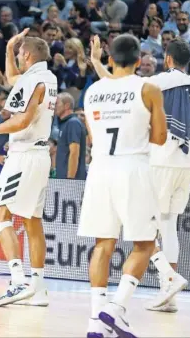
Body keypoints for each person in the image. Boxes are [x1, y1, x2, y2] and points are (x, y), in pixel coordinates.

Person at [91, 37, 190, 313]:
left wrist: (97, 64)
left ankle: (168, 281)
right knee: (168, 224)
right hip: (186, 163)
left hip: (158, 161)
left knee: (145, 227)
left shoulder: (157, 83)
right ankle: (169, 293)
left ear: (168, 59)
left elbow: (120, 88)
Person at [77, 34, 167, 337]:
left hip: (100, 169)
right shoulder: (149, 88)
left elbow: (93, 133)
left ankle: (94, 322)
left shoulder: (92, 92)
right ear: (140, 59)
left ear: (110, 58)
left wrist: (95, 62)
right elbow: (159, 138)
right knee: (145, 244)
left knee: (103, 244)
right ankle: (115, 309)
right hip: (133, 168)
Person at [0, 29, 57, 307]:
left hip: (24, 155)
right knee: (32, 221)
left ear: (29, 56)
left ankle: (18, 281)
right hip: (40, 154)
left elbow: (21, 121)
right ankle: (39, 287)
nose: (18, 58)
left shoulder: (34, 80)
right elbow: (12, 79)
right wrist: (9, 49)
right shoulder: (47, 77)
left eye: (20, 54)